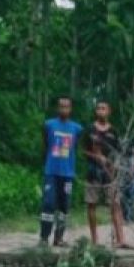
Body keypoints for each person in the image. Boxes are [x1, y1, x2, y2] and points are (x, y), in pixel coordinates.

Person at [85, 100, 129, 249]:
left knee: (115, 204)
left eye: (104, 108)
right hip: (93, 172)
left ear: (109, 111)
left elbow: (118, 151)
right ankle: (94, 240)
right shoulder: (90, 129)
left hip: (110, 173)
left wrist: (114, 164)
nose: (100, 111)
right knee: (92, 204)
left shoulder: (114, 131)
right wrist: (95, 156)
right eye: (98, 108)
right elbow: (84, 150)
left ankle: (120, 239)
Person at [39, 95, 82, 247]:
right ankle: (44, 237)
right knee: (48, 204)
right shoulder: (49, 125)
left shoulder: (76, 128)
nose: (64, 109)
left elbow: (75, 148)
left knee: (64, 206)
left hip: (67, 173)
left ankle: (59, 238)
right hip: (51, 171)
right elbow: (44, 146)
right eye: (61, 106)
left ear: (71, 109)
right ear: (57, 108)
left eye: (67, 106)